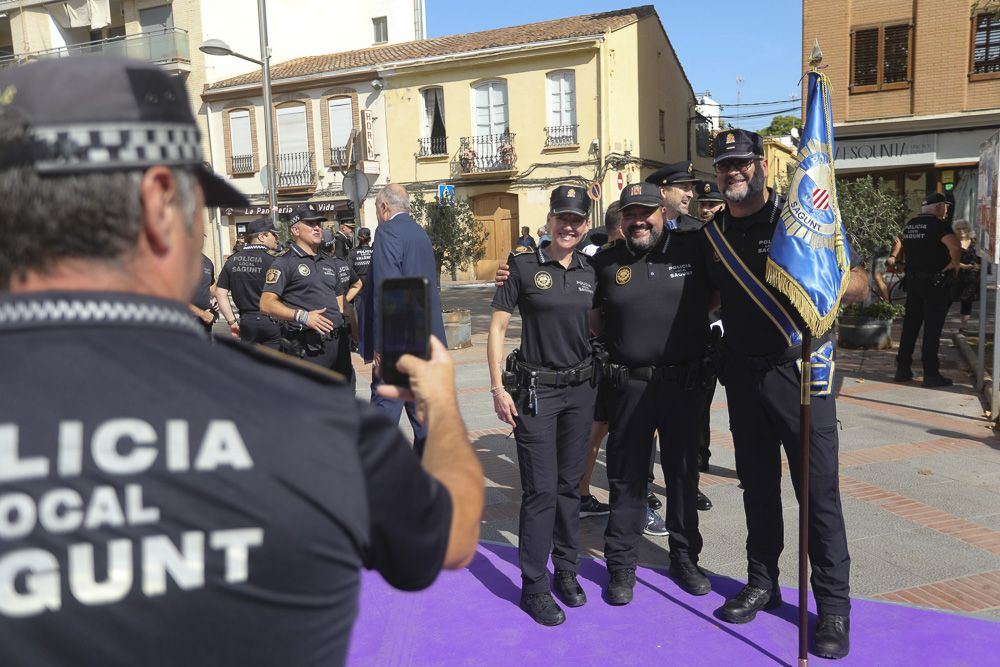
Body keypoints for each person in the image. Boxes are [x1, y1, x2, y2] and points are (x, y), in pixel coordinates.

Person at [0, 55, 483, 667]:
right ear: (158, 205)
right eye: (199, 205)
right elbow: (453, 536)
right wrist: (440, 401)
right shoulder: (311, 422)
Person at [705, 129, 867, 660]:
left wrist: (822, 273)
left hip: (801, 377)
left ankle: (835, 608)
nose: (734, 172)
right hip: (745, 380)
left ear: (761, 166)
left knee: (817, 495)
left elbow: (861, 282)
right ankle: (762, 581)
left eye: (742, 163)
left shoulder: (799, 217)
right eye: (725, 165)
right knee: (756, 488)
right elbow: (706, 300)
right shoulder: (714, 235)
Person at [593, 182, 713, 605]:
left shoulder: (692, 249)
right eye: (631, 214)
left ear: (662, 213)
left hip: (683, 384)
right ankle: (621, 566)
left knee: (683, 476)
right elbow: (591, 319)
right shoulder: (606, 262)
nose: (639, 220)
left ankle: (684, 559)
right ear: (621, 220)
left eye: (646, 212)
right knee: (626, 479)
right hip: (629, 386)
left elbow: (719, 297)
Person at [488, 185, 598, 626]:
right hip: (536, 393)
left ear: (586, 224)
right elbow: (496, 329)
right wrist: (497, 387)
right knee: (540, 491)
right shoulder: (522, 266)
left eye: (577, 219)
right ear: (549, 221)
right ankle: (533, 585)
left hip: (581, 392)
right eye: (562, 218)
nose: (569, 226)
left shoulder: (593, 270)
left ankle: (566, 571)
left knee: (571, 488)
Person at [646, 162, 714, 513]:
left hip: (688, 345)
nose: (691, 193)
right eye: (683, 187)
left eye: (691, 187)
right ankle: (643, 484)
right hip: (647, 347)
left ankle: (690, 483)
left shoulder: (698, 231)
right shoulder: (639, 225)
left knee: (693, 419)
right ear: (662, 191)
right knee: (644, 423)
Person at [361, 183, 447, 457]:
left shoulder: (387, 231)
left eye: (376, 207)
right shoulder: (419, 232)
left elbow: (388, 286)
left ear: (384, 206)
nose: (376, 214)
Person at [260, 204, 354, 381]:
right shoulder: (284, 262)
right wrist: (303, 316)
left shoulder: (329, 261)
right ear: (295, 230)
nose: (317, 228)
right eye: (310, 224)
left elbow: (341, 302)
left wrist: (354, 332)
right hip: (308, 346)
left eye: (318, 223)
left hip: (338, 344)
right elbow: (266, 304)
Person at [577, 202, 623, 518]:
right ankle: (578, 494)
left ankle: (578, 494)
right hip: (604, 359)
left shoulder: (595, 261)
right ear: (620, 228)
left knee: (598, 429)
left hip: (602, 357)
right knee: (598, 430)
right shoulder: (601, 265)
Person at [894, 192, 961, 387]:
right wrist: (955, 264)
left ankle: (902, 369)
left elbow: (904, 247)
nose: (947, 210)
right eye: (945, 206)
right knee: (932, 329)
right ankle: (931, 373)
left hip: (914, 282)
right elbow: (955, 246)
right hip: (935, 284)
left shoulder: (911, 224)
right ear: (939, 207)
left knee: (910, 327)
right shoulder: (939, 226)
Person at [216, 217, 283, 348]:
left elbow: (220, 293)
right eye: (274, 234)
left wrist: (232, 321)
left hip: (247, 322)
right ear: (262, 236)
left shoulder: (232, 260)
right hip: (272, 321)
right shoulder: (274, 261)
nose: (277, 238)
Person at [951, 219, 980, 334]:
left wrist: (978, 266)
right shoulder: (952, 242)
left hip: (971, 278)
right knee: (948, 299)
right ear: (955, 230)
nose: (961, 231)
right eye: (958, 229)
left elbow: (982, 259)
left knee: (967, 302)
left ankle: (964, 326)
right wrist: (963, 266)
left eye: (964, 228)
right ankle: (938, 323)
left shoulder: (975, 242)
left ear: (968, 229)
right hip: (954, 276)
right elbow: (948, 259)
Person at [348, 226, 374, 344]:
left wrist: (356, 280)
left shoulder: (352, 253)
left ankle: (362, 340)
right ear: (369, 239)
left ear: (358, 238)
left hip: (358, 287)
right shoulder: (374, 251)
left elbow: (348, 269)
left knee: (360, 313)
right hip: (372, 284)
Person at [189, 253, 217, 333]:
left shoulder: (207, 262)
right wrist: (202, 314)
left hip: (205, 322)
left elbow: (211, 282)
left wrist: (216, 296)